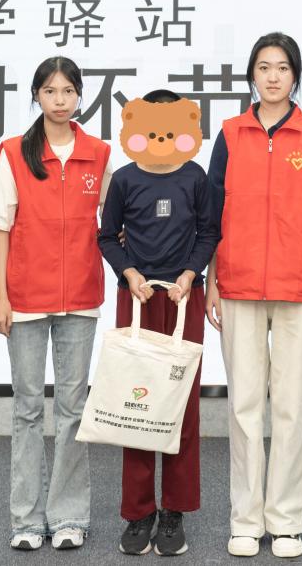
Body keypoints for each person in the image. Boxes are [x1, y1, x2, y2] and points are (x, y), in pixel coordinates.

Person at [205, 32, 302, 559]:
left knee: (291, 407)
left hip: (300, 287)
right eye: (264, 67)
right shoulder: (230, 134)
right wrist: (213, 279)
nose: (273, 76)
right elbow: (212, 214)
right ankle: (245, 519)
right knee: (243, 408)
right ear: (252, 75)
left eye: (283, 67)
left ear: (295, 75)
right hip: (238, 284)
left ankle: (285, 521)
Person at [0, 56, 112, 552]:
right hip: (25, 299)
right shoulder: (15, 152)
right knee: (28, 409)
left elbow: (114, 221)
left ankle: (69, 517)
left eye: (68, 91)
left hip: (80, 297)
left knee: (73, 410)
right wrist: (1, 296)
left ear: (80, 96)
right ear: (36, 95)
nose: (60, 100)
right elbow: (1, 227)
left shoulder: (98, 154)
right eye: (50, 91)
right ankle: (26, 519)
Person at [97, 89, 218, 557]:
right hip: (138, 299)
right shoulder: (125, 179)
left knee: (181, 406)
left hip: (184, 299)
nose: (161, 137)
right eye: (152, 129)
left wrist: (189, 274)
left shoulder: (195, 177)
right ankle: (138, 513)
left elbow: (208, 231)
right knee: (136, 405)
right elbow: (107, 237)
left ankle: (174, 512)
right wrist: (129, 273)